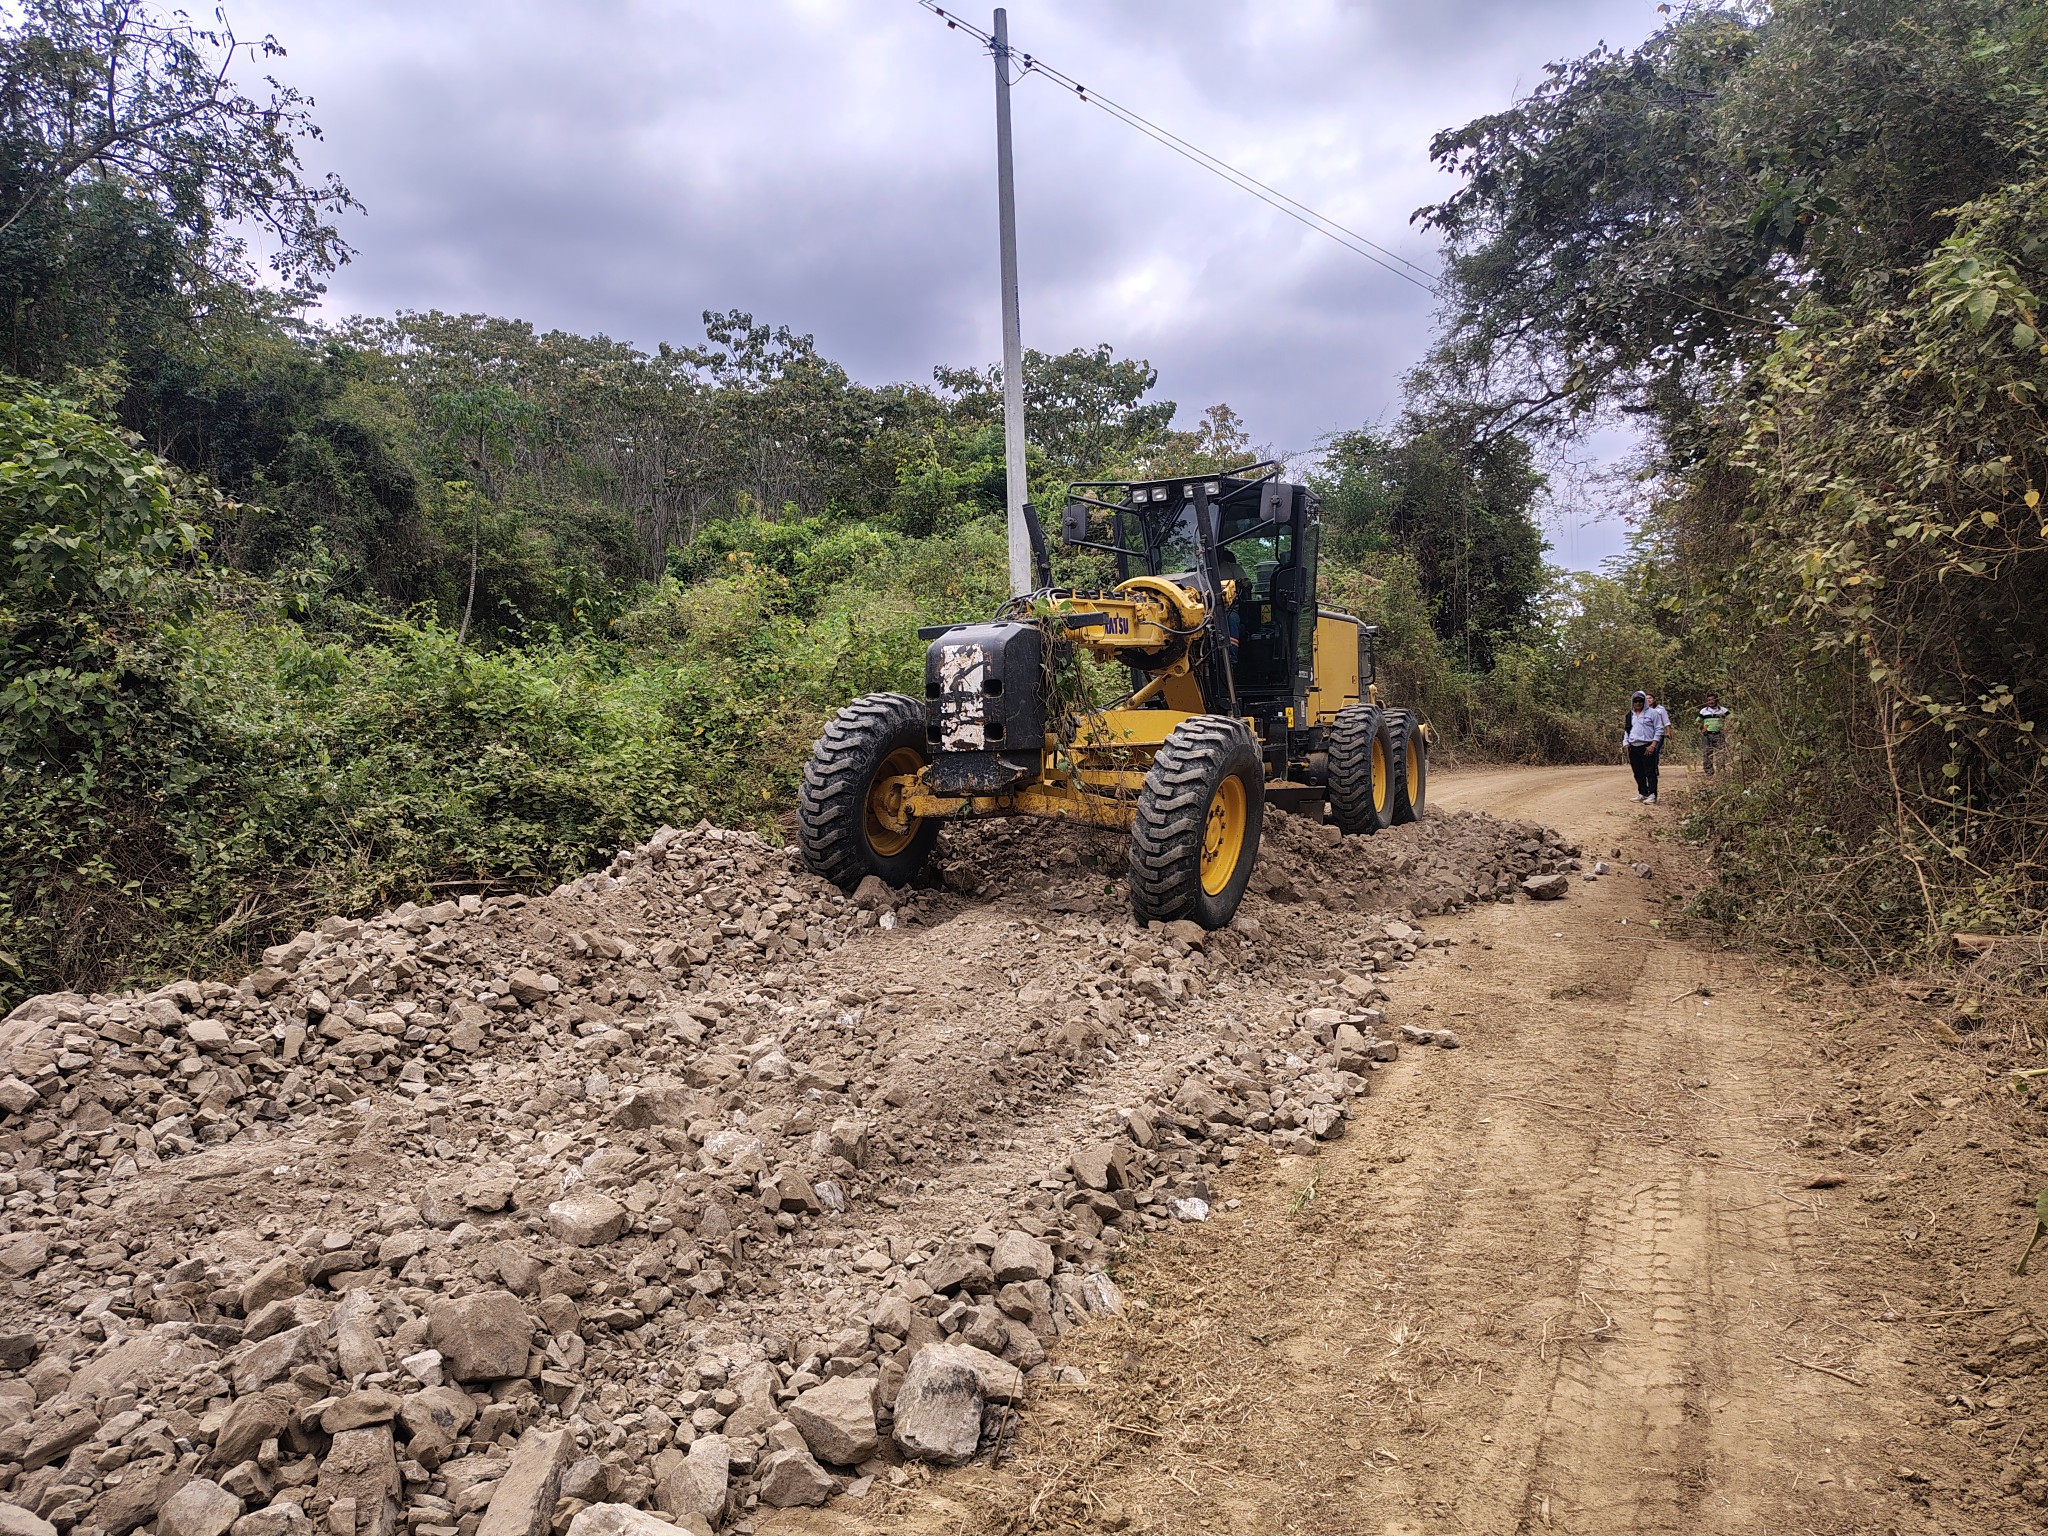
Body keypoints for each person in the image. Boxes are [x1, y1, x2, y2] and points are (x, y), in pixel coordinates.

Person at [1623, 690, 1669, 803]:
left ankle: (1652, 794)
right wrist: (1626, 743)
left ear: (1644, 702)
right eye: (1636, 701)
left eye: (1640, 701)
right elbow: (1627, 730)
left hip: (1647, 746)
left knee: (1650, 771)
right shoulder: (1630, 715)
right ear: (1632, 702)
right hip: (1633, 746)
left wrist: (1653, 744)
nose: (1638, 703)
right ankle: (1643, 793)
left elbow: (1659, 729)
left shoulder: (1653, 713)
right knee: (1638, 772)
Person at [1697, 691, 1730, 775]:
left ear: (1717, 700)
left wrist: (1728, 727)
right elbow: (1697, 722)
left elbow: (1732, 719)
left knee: (1720, 752)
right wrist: (1702, 729)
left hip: (1719, 734)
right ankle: (1709, 772)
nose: (1711, 702)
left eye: (1712, 700)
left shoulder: (1723, 710)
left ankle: (1720, 771)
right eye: (1709, 700)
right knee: (1707, 753)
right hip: (1707, 735)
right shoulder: (1703, 711)